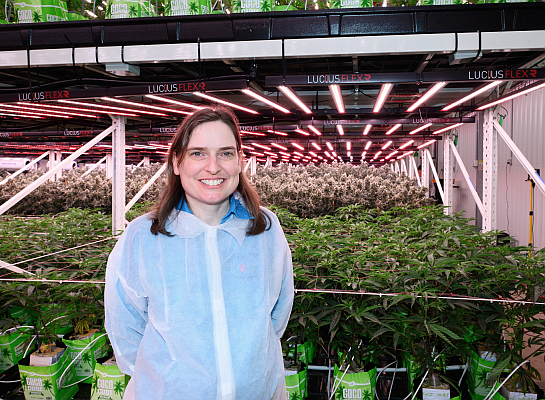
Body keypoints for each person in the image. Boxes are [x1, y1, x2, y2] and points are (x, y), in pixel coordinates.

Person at [105, 106, 294, 400]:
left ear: (240, 161)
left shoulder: (265, 229)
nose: (213, 167)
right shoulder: (142, 237)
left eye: (225, 153)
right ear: (177, 162)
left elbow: (276, 315)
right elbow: (125, 329)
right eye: (198, 153)